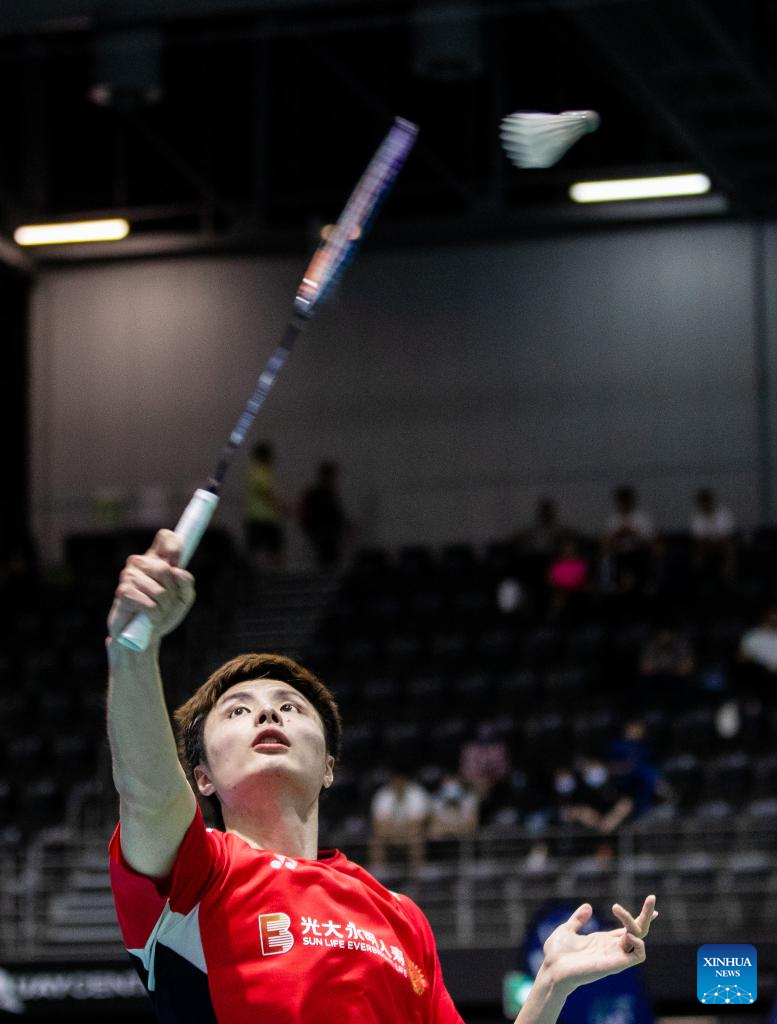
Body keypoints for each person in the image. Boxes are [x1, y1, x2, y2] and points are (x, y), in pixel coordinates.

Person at [106, 529, 658, 1023]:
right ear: (200, 776)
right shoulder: (196, 877)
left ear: (328, 768)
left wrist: (548, 991)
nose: (268, 714)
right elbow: (148, 793)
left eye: (292, 707)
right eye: (238, 710)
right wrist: (134, 647)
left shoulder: (399, 917)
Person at [369, 766, 430, 872]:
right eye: (395, 780)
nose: (398, 783)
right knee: (376, 842)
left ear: (406, 780)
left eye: (401, 779)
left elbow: (418, 825)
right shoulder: (383, 795)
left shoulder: (416, 793)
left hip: (410, 835)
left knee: (417, 840)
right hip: (389, 836)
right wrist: (394, 834)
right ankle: (379, 878)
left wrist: (401, 833)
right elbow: (378, 826)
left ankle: (417, 877)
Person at [299, 461, 349, 568]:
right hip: (324, 536)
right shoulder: (322, 495)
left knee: (328, 560)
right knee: (329, 560)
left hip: (325, 536)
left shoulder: (325, 494)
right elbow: (334, 515)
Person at [244, 441, 285, 569]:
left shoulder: (263, 471)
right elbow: (265, 491)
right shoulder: (258, 471)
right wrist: (280, 505)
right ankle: (261, 576)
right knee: (268, 549)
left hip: (261, 517)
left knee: (262, 549)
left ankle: (268, 574)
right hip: (261, 517)